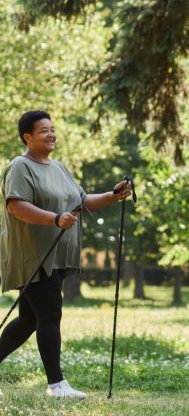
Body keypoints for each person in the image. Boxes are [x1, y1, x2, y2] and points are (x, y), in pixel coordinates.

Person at [0, 110, 131, 399]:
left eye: (53, 129)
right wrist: (54, 219)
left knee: (29, 320)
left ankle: (55, 384)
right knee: (49, 313)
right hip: (33, 255)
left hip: (56, 255)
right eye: (44, 130)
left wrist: (113, 195)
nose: (51, 134)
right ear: (27, 136)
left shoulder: (58, 167)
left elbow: (82, 202)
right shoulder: (20, 167)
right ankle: (57, 385)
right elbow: (16, 206)